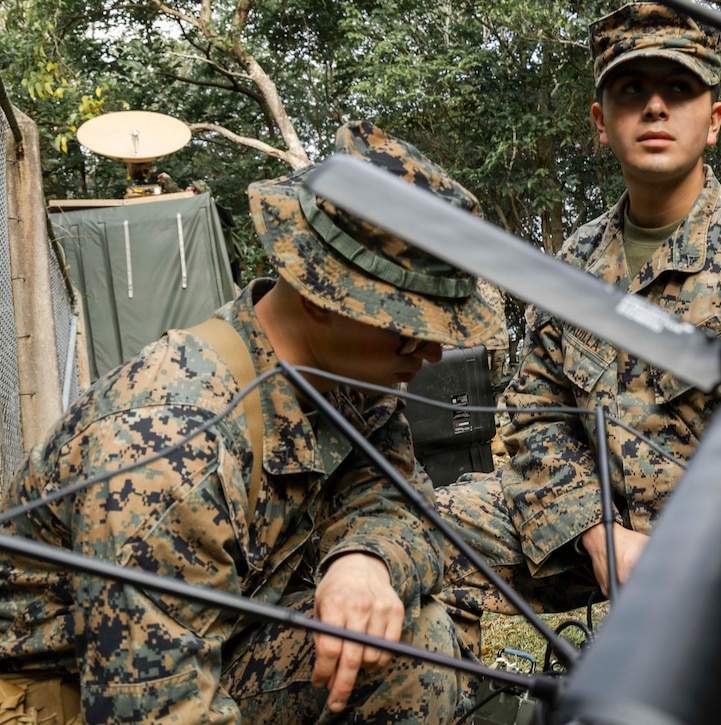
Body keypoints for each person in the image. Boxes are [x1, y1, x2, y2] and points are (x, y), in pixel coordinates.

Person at [0, 120, 501, 724]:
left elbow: (402, 505)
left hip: (218, 641)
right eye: (409, 331)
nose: (430, 357)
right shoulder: (168, 440)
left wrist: (363, 560)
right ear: (320, 297)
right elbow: (154, 709)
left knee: (410, 645)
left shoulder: (352, 381)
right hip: (70, 694)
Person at [436, 3, 721, 721]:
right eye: (631, 90)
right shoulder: (576, 262)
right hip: (598, 532)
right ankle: (468, 707)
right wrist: (597, 530)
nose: (654, 104)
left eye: (678, 89)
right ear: (600, 121)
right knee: (432, 533)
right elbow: (533, 415)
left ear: (713, 120)